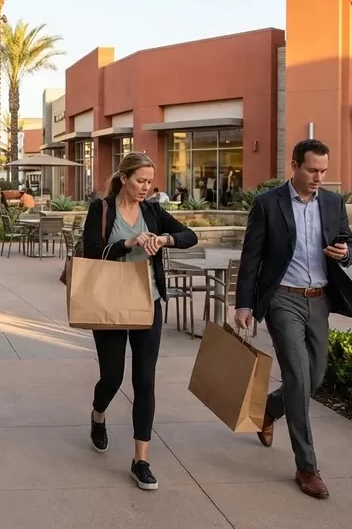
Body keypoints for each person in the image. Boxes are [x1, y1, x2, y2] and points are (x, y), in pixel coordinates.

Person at [234, 138, 352, 499]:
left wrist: (345, 253)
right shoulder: (267, 204)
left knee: (315, 376)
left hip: (320, 300)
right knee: (297, 375)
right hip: (282, 300)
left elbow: (349, 245)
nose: (319, 177)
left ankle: (267, 412)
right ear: (294, 166)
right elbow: (252, 257)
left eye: (323, 171)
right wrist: (244, 304)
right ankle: (307, 467)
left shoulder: (333, 202)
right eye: (312, 170)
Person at [82, 151, 198, 491]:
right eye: (140, 181)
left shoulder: (152, 210)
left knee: (145, 380)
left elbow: (190, 235)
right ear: (123, 178)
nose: (146, 187)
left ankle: (140, 460)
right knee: (113, 377)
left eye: (150, 182)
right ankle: (98, 414)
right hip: (110, 303)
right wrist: (127, 243)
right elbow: (91, 252)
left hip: (149, 303)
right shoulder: (101, 209)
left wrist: (165, 239)